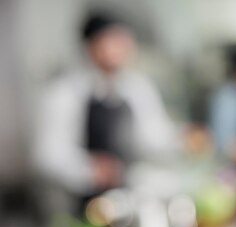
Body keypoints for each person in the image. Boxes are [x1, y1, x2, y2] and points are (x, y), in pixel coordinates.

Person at [33, 11, 175, 214]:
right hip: (84, 204)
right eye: (114, 40)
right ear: (91, 46)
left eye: (126, 41)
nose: (124, 47)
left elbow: (153, 134)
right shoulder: (65, 93)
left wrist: (180, 139)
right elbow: (48, 154)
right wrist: (89, 169)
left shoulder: (138, 87)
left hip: (132, 195)